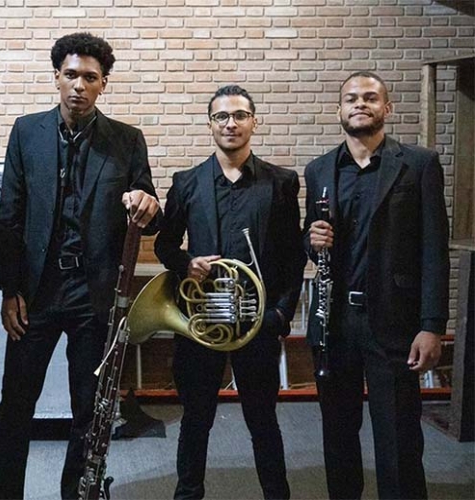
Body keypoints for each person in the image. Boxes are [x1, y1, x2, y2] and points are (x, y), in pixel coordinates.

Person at [0, 32, 161, 499]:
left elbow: (150, 215)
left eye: (90, 77)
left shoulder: (127, 140)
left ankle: (78, 494)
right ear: (56, 77)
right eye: (71, 75)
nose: (79, 85)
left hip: (95, 297)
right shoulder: (26, 132)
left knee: (88, 409)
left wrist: (146, 204)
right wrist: (9, 290)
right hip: (35, 293)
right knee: (15, 407)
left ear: (103, 83)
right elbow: (10, 218)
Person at [154, 85, 305, 500]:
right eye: (222, 116)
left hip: (257, 323)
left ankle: (277, 495)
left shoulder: (281, 183)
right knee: (195, 419)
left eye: (240, 115)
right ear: (210, 124)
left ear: (254, 122)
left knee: (263, 420)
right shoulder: (186, 182)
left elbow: (293, 256)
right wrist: (187, 263)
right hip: (201, 324)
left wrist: (281, 314)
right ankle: (188, 494)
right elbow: (166, 245)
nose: (231, 123)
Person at [304, 71, 449, 500]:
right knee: (338, 435)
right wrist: (312, 241)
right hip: (334, 324)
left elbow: (434, 249)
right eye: (351, 98)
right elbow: (313, 242)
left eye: (370, 97)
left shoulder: (419, 165)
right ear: (339, 110)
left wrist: (432, 325)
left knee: (399, 438)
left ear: (387, 108)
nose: (360, 104)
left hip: (395, 322)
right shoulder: (319, 170)